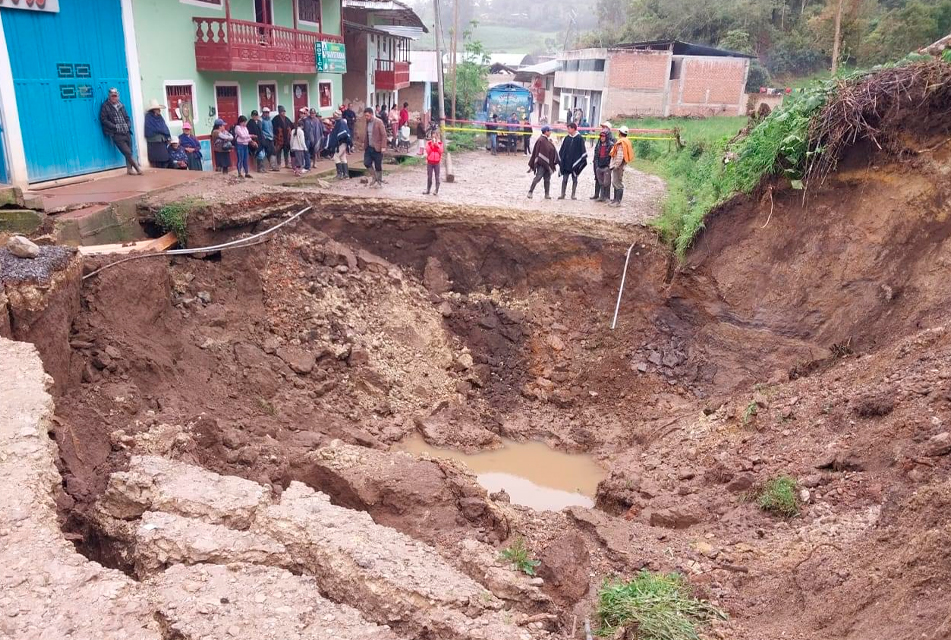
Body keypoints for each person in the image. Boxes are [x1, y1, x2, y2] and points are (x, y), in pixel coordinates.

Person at [99, 88, 142, 175]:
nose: (114, 98)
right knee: (127, 152)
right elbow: (103, 119)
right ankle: (138, 169)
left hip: (126, 131)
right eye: (112, 96)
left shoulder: (121, 105)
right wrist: (114, 127)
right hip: (116, 133)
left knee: (130, 151)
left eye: (116, 96)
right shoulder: (105, 106)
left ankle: (129, 169)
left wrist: (128, 124)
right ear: (109, 96)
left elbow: (126, 117)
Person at [557, 122, 587, 200]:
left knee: (574, 179)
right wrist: (561, 160)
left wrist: (579, 161)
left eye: (569, 128)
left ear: (573, 128)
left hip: (575, 163)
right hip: (566, 163)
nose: (568, 130)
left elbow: (582, 151)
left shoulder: (579, 138)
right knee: (565, 179)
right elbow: (562, 150)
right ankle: (562, 194)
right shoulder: (567, 138)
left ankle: (573, 194)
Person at [527, 125, 558, 199]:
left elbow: (551, 150)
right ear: (546, 131)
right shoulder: (541, 140)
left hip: (548, 164)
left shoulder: (547, 140)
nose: (550, 132)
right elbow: (537, 152)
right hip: (541, 164)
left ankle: (547, 194)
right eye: (549, 131)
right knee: (538, 177)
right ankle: (530, 191)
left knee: (547, 179)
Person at [609, 125, 634, 207]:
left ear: (620, 133)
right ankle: (615, 200)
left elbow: (620, 156)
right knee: (616, 182)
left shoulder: (621, 143)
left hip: (618, 166)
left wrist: (615, 166)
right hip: (621, 165)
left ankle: (617, 201)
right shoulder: (626, 141)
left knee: (617, 183)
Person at [144, 99, 171, 169]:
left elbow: (164, 127)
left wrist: (168, 137)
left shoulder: (160, 117)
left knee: (165, 159)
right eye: (158, 109)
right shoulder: (149, 117)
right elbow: (149, 129)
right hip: (154, 142)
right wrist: (160, 131)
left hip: (162, 141)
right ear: (154, 109)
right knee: (157, 160)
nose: (159, 110)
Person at [363, 107, 386, 188]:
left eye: (367, 116)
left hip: (377, 147)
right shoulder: (367, 122)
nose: (366, 117)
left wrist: (383, 147)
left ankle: (379, 181)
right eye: (365, 116)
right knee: (366, 162)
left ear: (372, 114)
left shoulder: (378, 122)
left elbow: (384, 135)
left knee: (378, 165)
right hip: (369, 147)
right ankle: (374, 177)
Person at [327, 109, 352, 179]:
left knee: (336, 157)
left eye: (334, 115)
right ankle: (346, 174)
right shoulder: (339, 122)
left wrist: (337, 141)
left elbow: (342, 134)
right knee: (343, 157)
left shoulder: (341, 123)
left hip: (342, 143)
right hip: (343, 143)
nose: (333, 116)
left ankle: (340, 174)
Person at [591, 129, 613, 202]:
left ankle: (607, 197)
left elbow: (612, 156)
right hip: (599, 166)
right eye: (601, 136)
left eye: (603, 136)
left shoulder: (610, 145)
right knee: (600, 183)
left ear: (606, 137)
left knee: (607, 182)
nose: (602, 138)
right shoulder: (598, 145)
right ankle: (601, 197)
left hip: (606, 166)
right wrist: (596, 166)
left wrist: (609, 166)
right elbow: (596, 156)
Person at [423, 131, 443, 196]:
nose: (434, 138)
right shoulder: (428, 143)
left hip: (437, 162)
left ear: (437, 137)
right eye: (433, 136)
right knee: (429, 177)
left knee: (437, 177)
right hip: (430, 162)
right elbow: (428, 152)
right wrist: (431, 146)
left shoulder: (440, 143)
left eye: (435, 136)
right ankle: (428, 189)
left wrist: (437, 146)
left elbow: (441, 151)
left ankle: (436, 190)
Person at [260, 107, 277, 171]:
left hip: (271, 138)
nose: (267, 114)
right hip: (265, 138)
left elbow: (271, 128)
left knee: (273, 151)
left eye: (268, 112)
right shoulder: (261, 120)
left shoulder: (269, 120)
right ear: (263, 113)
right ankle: (266, 166)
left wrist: (272, 135)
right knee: (267, 152)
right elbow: (261, 130)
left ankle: (273, 166)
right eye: (266, 112)